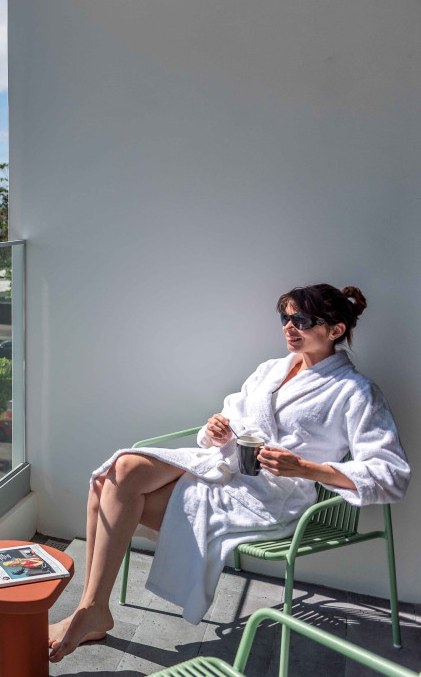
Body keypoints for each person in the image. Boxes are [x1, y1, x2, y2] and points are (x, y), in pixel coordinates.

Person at [48, 284, 411, 663]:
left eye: (301, 320)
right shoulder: (270, 370)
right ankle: (92, 609)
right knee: (117, 472)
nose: (289, 327)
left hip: (270, 499)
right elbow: (227, 426)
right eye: (285, 317)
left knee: (112, 486)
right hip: (223, 468)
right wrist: (216, 430)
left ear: (335, 330)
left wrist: (305, 468)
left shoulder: (356, 392)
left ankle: (90, 610)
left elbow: (391, 474)